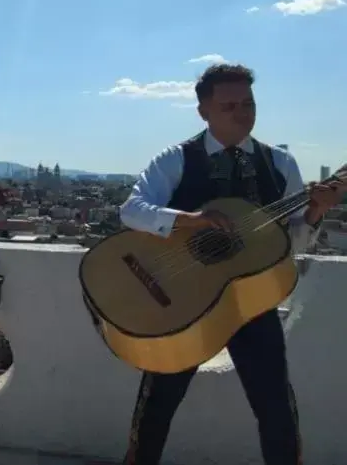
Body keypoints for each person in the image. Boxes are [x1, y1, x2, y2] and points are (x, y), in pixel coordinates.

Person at [117, 63, 345, 465]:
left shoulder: (280, 164)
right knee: (156, 407)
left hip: (251, 302)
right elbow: (132, 211)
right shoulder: (176, 160)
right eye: (230, 105)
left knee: (276, 409)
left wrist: (313, 214)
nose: (243, 112)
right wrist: (193, 221)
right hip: (185, 302)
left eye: (248, 103)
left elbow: (288, 243)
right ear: (203, 111)